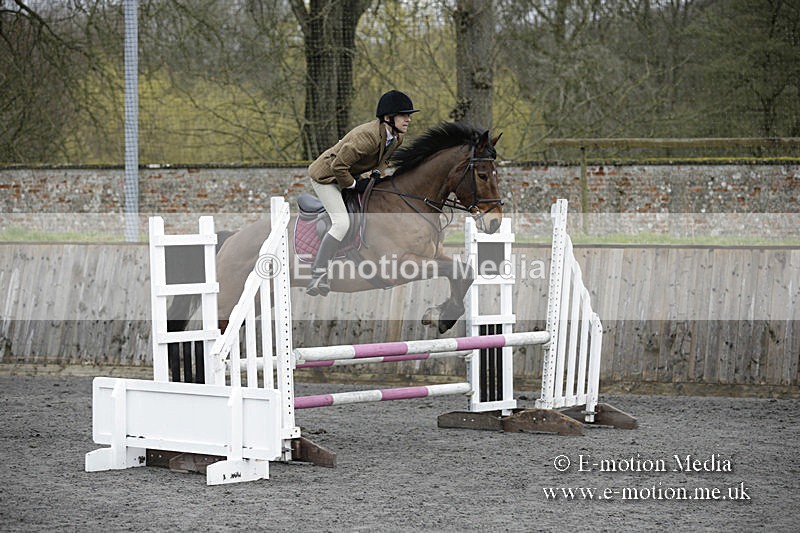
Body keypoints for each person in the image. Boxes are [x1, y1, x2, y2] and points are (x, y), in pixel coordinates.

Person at [305, 89, 419, 296]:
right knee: (342, 223)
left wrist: (376, 175)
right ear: (388, 118)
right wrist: (355, 185)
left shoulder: (396, 137)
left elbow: (384, 161)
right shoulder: (367, 136)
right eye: (404, 115)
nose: (408, 119)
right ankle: (318, 274)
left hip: (346, 174)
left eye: (409, 115)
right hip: (326, 177)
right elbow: (338, 167)